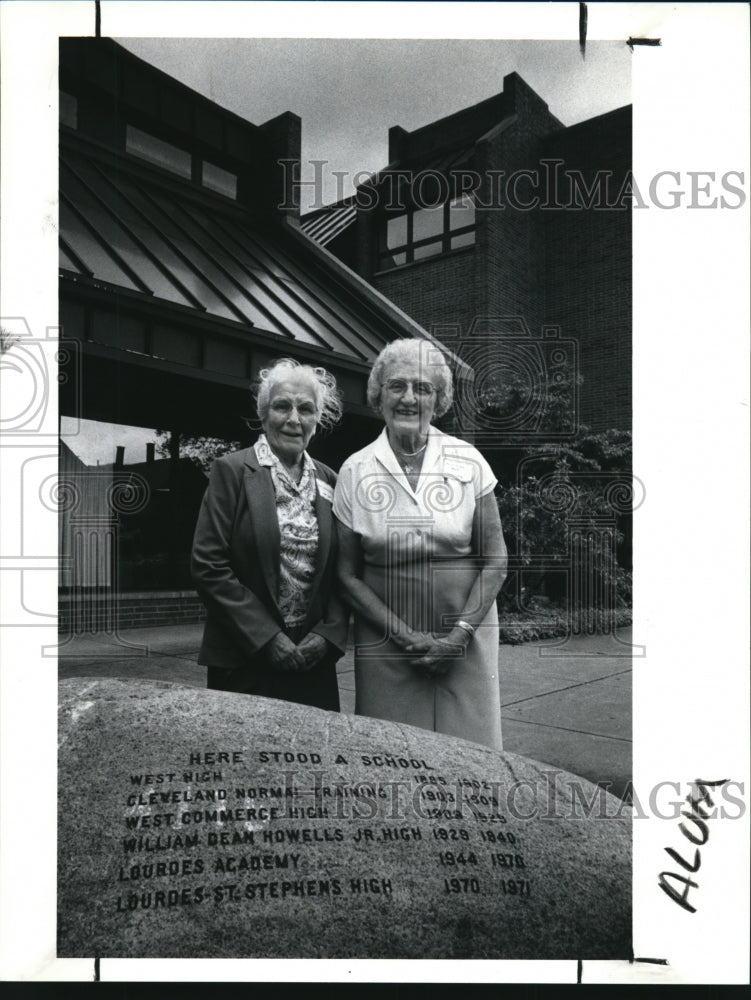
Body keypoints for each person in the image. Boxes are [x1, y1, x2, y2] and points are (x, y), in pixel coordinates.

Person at [333, 338, 507, 749]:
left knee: (472, 753)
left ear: (438, 398)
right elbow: (345, 574)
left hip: (466, 635)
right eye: (397, 386)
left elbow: (496, 558)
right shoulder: (355, 471)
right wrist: (405, 635)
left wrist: (459, 635)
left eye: (422, 388)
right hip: (387, 642)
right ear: (379, 395)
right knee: (391, 753)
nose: (409, 398)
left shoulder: (468, 460)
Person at [191, 358, 347, 710]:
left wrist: (327, 636)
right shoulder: (231, 471)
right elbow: (208, 565)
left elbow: (343, 572)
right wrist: (267, 638)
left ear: (316, 420)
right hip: (244, 656)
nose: (294, 419)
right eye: (282, 406)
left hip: (312, 660)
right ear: (263, 414)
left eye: (305, 409)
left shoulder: (331, 481)